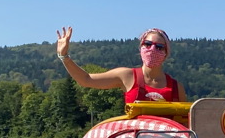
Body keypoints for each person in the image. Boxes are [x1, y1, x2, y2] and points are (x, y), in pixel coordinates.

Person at [56, 26, 186, 103]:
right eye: (147, 44)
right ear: (141, 47)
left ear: (166, 53)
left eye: (159, 47)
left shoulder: (176, 87)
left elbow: (185, 122)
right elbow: (86, 80)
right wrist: (64, 57)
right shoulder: (127, 76)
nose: (152, 49)